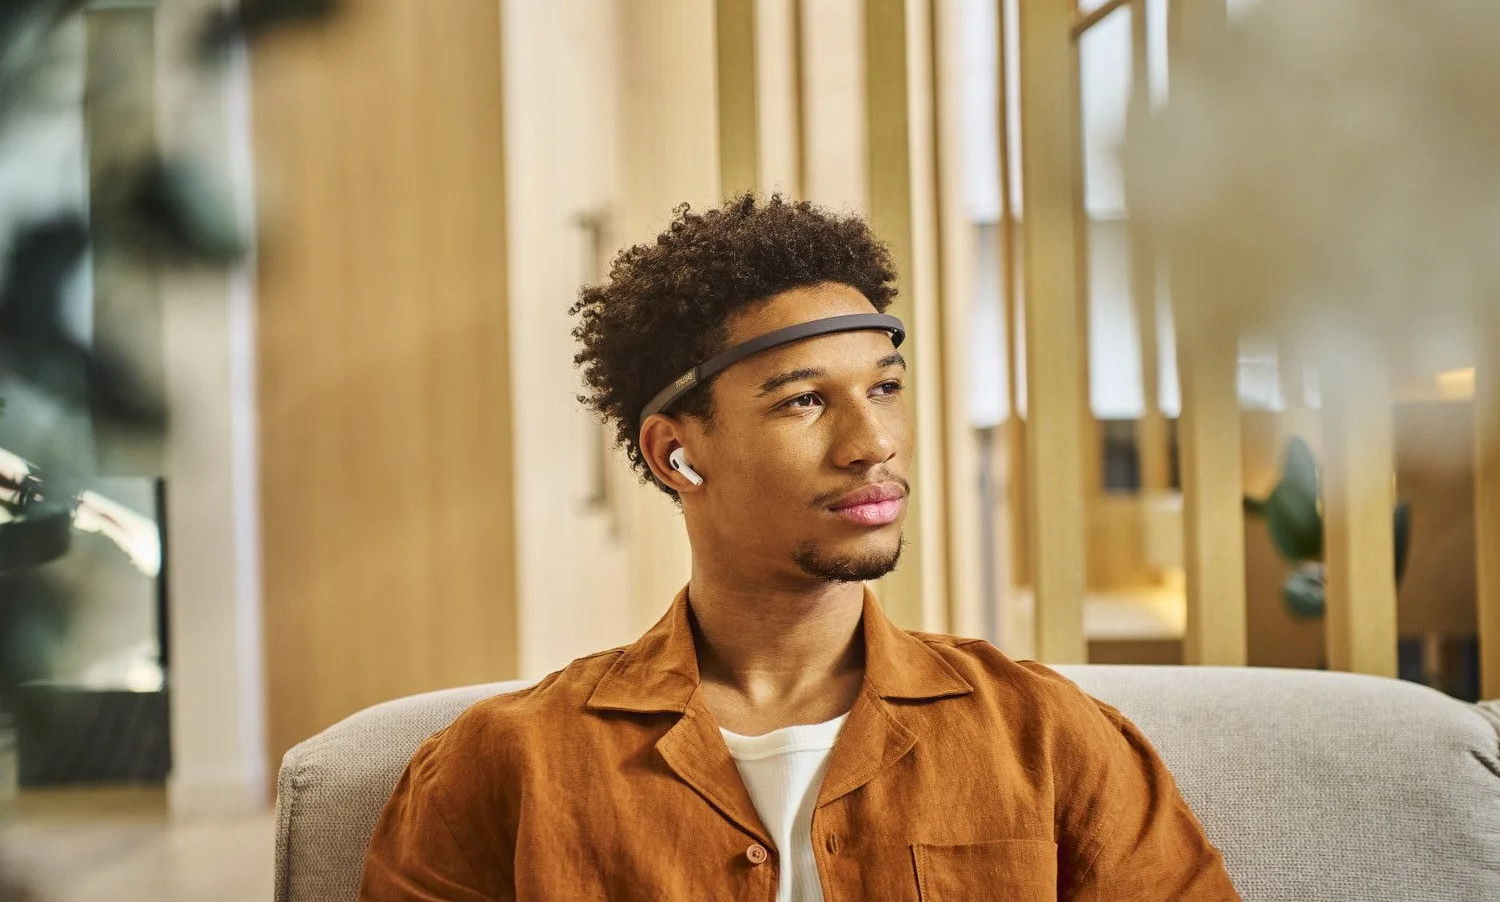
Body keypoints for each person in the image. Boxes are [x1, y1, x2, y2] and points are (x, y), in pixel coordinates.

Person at [359, 195, 1241, 901]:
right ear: (678, 453)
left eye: (885, 389)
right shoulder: (505, 767)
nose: (873, 442)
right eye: (803, 402)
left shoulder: (1046, 739)